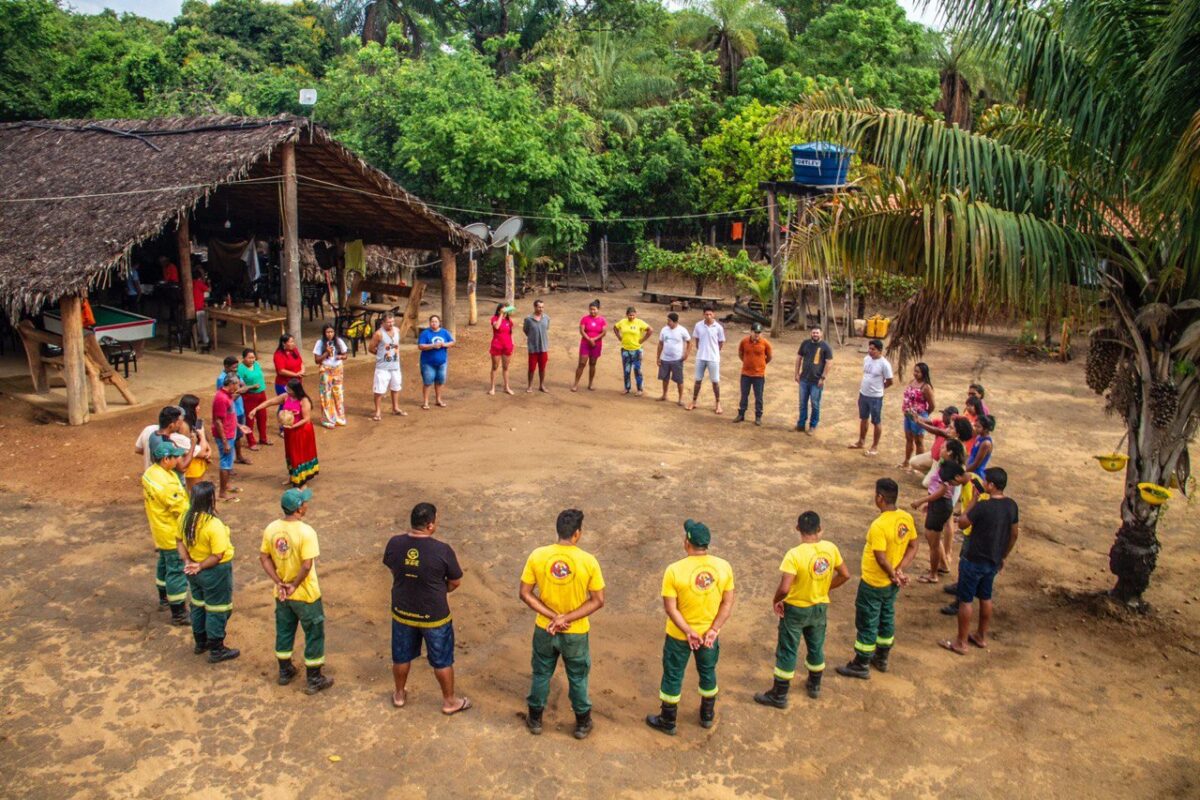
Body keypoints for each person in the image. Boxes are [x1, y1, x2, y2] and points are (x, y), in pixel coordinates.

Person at [519, 508, 606, 739]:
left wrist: (552, 616)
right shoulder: (588, 561)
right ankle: (582, 722)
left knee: (541, 673)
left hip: (544, 628)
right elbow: (598, 600)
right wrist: (565, 618)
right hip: (575, 632)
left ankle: (535, 719)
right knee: (577, 676)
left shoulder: (538, 556)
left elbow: (525, 593)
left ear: (557, 530)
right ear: (577, 534)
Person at [646, 520, 735, 735]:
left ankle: (668, 720)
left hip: (679, 635)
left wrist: (688, 631)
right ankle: (707, 715)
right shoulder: (724, 567)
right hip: (708, 637)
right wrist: (713, 630)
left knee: (673, 674)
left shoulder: (674, 570)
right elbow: (727, 602)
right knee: (707, 671)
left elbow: (671, 608)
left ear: (687, 542)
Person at [754, 511, 850, 706]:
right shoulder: (830, 549)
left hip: (796, 608)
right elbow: (845, 574)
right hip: (820, 606)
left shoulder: (794, 555)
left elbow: (784, 588)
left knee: (788, 649)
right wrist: (825, 587)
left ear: (798, 529)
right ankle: (814, 685)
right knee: (816, 645)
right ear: (819, 529)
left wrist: (776, 600)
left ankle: (779, 694)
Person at [383, 503, 470, 714]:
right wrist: (440, 590)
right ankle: (449, 701)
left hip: (403, 610)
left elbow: (392, 567)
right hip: (434, 615)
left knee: (401, 656)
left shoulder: (395, 543)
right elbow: (456, 581)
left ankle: (400, 694)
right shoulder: (442, 550)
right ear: (430, 525)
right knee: (442, 659)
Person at [835, 478, 918, 679]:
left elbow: (880, 558)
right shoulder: (905, 518)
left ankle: (861, 662)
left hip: (873, 583)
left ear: (879, 498)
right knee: (886, 617)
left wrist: (892, 573)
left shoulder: (879, 526)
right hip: (891, 584)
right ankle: (881, 657)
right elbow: (914, 546)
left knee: (867, 620)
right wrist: (899, 571)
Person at [259, 487, 334, 693]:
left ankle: (284, 671)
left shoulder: (271, 528)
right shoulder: (306, 532)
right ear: (299, 509)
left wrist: (279, 582)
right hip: (305, 594)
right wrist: (293, 584)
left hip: (282, 593)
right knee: (314, 633)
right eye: (305, 503)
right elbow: (307, 565)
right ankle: (314, 678)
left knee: (284, 630)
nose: (307, 505)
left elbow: (264, 557)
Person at [940, 467, 1018, 656]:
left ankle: (961, 642)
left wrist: (974, 500)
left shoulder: (983, 506)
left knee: (966, 601)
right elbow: (1014, 534)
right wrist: (1003, 556)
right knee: (986, 597)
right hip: (993, 559)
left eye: (986, 481)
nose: (983, 484)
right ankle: (981, 636)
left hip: (974, 558)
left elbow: (963, 523)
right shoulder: (1011, 505)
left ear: (991, 485)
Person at [177, 481, 240, 663]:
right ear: (209, 500)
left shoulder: (184, 518)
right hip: (214, 572)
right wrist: (201, 565)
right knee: (217, 608)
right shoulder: (213, 524)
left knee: (197, 604)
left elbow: (178, 541)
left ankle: (200, 642)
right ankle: (216, 649)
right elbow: (218, 555)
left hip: (193, 570)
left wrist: (188, 561)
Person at [141, 441, 190, 625]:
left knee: (163, 563)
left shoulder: (150, 473)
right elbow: (182, 509)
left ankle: (163, 597)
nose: (179, 459)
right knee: (176, 569)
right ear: (165, 459)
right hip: (172, 533)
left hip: (159, 529)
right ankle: (178, 612)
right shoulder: (167, 484)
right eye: (175, 456)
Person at [245, 378, 320, 487]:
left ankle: (302, 481)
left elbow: (306, 419)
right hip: (290, 430)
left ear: (295, 390)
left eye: (289, 389)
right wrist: (256, 409)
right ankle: (292, 477)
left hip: (301, 431)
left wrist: (292, 426)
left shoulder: (304, 400)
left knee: (299, 454)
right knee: (290, 454)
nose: (287, 390)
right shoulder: (286, 397)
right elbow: (270, 402)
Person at [911, 440, 967, 584]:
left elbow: (941, 491)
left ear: (949, 452)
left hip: (940, 504)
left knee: (933, 541)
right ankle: (942, 566)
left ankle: (933, 574)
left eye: (943, 447)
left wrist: (922, 500)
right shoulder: (953, 467)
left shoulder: (948, 468)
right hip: (941, 505)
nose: (940, 449)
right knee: (935, 539)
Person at [849, 339, 894, 456]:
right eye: (869, 348)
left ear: (880, 351)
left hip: (875, 397)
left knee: (876, 421)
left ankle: (874, 446)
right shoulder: (866, 359)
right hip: (863, 394)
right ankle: (861, 441)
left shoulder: (885, 364)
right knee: (863, 418)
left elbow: (890, 381)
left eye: (873, 349)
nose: (870, 351)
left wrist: (880, 388)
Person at [211, 375, 245, 501]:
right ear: (231, 384)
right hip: (225, 435)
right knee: (226, 463)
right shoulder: (221, 398)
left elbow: (229, 415)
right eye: (237, 384)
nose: (238, 387)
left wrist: (238, 425)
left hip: (230, 432)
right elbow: (218, 421)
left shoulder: (227, 395)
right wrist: (225, 441)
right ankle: (222, 492)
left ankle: (226, 486)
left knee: (228, 462)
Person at [795, 326, 833, 435]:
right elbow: (798, 358)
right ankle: (801, 424)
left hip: (816, 381)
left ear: (821, 334)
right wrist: (796, 373)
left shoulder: (825, 347)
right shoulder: (805, 344)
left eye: (817, 333)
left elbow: (829, 363)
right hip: (804, 379)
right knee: (802, 403)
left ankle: (813, 425)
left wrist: (823, 377)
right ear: (810, 334)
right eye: (813, 333)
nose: (815, 334)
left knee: (815, 404)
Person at [687, 306, 726, 414]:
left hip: (713, 358)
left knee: (715, 382)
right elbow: (697, 340)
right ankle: (694, 401)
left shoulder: (718, 327)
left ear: (714, 315)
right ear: (703, 314)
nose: (708, 316)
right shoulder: (698, 325)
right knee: (698, 380)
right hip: (701, 357)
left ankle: (718, 404)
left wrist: (715, 352)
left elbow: (721, 342)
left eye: (710, 314)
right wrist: (702, 351)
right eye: (706, 314)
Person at [369, 312, 406, 420]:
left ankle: (395, 408)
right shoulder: (378, 334)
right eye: (388, 322)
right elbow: (371, 348)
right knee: (379, 390)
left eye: (392, 322)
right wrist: (381, 354)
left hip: (395, 365)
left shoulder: (397, 330)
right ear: (383, 322)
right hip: (382, 367)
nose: (391, 324)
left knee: (396, 387)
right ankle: (378, 412)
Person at [735, 323, 773, 425]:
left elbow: (769, 357)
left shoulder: (765, 343)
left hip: (758, 375)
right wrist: (746, 362)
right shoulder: (744, 342)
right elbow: (740, 353)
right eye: (755, 332)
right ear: (750, 331)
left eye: (759, 332)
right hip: (746, 374)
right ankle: (741, 414)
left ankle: (758, 416)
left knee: (759, 396)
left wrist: (761, 365)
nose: (757, 334)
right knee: (744, 395)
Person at [134, 406, 191, 472]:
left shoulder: (153, 435)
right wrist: (193, 444)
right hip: (164, 479)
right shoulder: (167, 443)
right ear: (171, 425)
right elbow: (182, 468)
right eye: (178, 423)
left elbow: (138, 450)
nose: (179, 425)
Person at [313, 323, 349, 428]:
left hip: (337, 369)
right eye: (328, 332)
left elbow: (345, 355)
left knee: (338, 393)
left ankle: (340, 418)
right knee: (326, 394)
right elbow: (316, 360)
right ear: (324, 333)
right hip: (325, 369)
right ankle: (328, 420)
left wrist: (341, 357)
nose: (330, 334)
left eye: (332, 332)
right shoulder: (320, 343)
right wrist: (326, 353)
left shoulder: (339, 341)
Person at [217, 356, 253, 459]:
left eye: (237, 367)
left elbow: (243, 386)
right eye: (234, 367)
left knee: (238, 436)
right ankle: (230, 462)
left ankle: (239, 457)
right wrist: (242, 390)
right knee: (230, 437)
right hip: (230, 412)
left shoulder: (235, 375)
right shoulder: (222, 379)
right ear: (226, 366)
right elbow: (229, 397)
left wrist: (242, 389)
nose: (236, 369)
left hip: (239, 409)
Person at [900, 363, 935, 469]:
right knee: (908, 438)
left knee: (918, 441)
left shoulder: (926, 387)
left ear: (923, 373)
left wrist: (923, 415)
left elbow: (932, 405)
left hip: (919, 417)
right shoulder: (912, 382)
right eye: (915, 371)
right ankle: (906, 461)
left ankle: (918, 465)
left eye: (918, 372)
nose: (915, 374)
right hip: (908, 415)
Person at [906, 405, 959, 474]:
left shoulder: (953, 431)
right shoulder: (941, 422)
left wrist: (919, 423)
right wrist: (915, 416)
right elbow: (926, 420)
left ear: (951, 417)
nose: (942, 416)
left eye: (944, 414)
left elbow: (936, 431)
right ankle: (931, 473)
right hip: (932, 455)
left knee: (926, 483)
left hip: (941, 460)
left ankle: (935, 474)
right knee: (913, 462)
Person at [417, 315, 455, 409]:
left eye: (436, 321)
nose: (434, 323)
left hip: (442, 362)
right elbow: (421, 346)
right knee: (427, 382)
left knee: (440, 381)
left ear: (439, 323)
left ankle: (438, 399)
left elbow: (452, 342)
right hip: (428, 362)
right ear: (430, 323)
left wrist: (444, 344)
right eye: (432, 321)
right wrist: (433, 346)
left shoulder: (444, 332)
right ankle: (426, 402)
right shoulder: (425, 333)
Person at [614, 306, 652, 396]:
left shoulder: (639, 322)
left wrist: (642, 340)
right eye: (630, 315)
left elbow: (650, 330)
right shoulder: (623, 322)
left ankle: (640, 389)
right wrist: (619, 337)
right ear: (626, 315)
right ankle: (627, 388)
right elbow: (615, 327)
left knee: (637, 370)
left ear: (636, 314)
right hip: (625, 350)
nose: (631, 317)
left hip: (637, 351)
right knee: (626, 370)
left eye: (633, 315)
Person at [656, 312, 691, 405]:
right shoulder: (664, 330)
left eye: (669, 320)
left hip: (677, 359)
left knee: (679, 380)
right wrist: (658, 357)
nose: (667, 322)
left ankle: (680, 399)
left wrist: (686, 354)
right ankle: (664, 395)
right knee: (664, 378)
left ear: (675, 322)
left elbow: (689, 342)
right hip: (665, 359)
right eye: (667, 320)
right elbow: (660, 343)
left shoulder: (682, 330)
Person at [238, 348, 271, 446]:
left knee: (262, 417)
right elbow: (240, 385)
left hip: (261, 394)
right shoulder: (241, 368)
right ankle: (251, 442)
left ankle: (263, 438)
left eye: (253, 357)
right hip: (249, 396)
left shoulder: (256, 364)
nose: (252, 360)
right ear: (244, 358)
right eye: (250, 358)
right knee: (250, 419)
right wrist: (251, 387)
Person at [572, 300, 607, 392]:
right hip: (585, 344)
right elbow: (582, 331)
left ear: (598, 309)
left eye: (594, 309)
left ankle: (590, 384)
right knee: (582, 363)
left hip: (596, 345)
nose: (592, 311)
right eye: (591, 309)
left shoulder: (602, 320)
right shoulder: (584, 319)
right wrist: (589, 339)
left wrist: (594, 339)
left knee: (593, 364)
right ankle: (575, 384)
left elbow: (604, 332)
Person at [179, 394, 211, 490]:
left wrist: (208, 451)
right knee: (194, 494)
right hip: (192, 465)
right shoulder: (184, 426)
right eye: (197, 406)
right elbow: (188, 449)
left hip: (198, 461)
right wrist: (202, 435)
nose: (199, 408)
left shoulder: (193, 420)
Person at [523, 299, 551, 393]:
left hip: (543, 347)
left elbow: (546, 328)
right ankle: (530, 386)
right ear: (534, 307)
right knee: (531, 368)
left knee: (542, 368)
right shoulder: (528, 319)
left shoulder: (546, 318)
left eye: (542, 307)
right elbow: (526, 330)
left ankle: (541, 385)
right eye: (539, 307)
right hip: (533, 348)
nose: (541, 309)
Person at [489, 304, 516, 396]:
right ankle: (492, 387)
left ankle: (506, 387)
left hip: (507, 346)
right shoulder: (494, 318)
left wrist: (512, 344)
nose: (505, 313)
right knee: (495, 366)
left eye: (505, 311)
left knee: (506, 367)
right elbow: (496, 327)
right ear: (498, 311)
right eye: (502, 310)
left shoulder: (509, 321)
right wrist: (501, 315)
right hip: (497, 346)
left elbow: (510, 333)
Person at [193, 268, 211, 348]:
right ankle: (205, 340)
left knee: (198, 325)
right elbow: (209, 290)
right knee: (202, 325)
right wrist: (209, 283)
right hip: (199, 308)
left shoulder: (192, 282)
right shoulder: (199, 283)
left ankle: (200, 338)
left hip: (193, 307)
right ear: (199, 277)